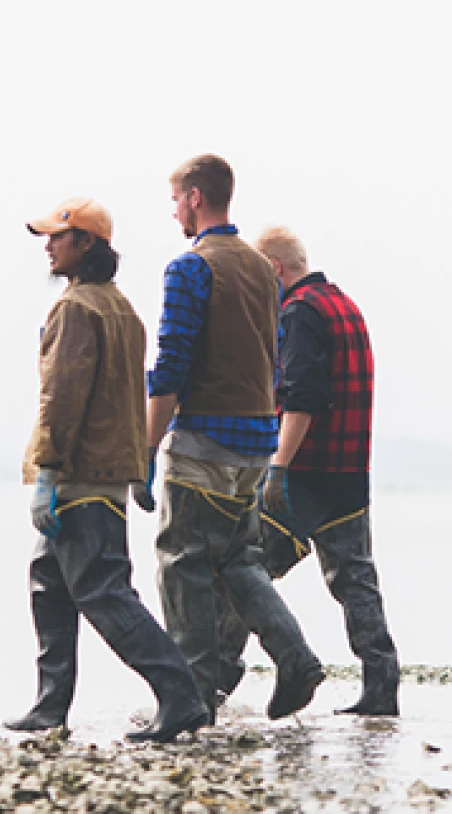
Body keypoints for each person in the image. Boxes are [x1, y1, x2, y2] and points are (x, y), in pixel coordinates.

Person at [5, 198, 208, 743]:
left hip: (79, 476)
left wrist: (47, 471)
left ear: (86, 243)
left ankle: (181, 695)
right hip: (105, 474)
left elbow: (61, 398)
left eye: (57, 236)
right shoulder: (121, 307)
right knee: (49, 585)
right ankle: (50, 706)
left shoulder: (77, 309)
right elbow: (124, 398)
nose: (47, 245)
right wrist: (135, 466)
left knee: (103, 593)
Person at [133, 155, 324, 723]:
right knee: (238, 560)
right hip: (257, 443)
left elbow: (170, 369)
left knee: (183, 562)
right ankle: (295, 658)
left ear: (195, 197)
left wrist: (145, 450)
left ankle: (188, 699)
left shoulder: (189, 269)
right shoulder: (263, 270)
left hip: (204, 442)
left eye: (174, 201)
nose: (172, 213)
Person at [216, 226, 400, 716]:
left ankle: (214, 681)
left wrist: (277, 468)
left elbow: (302, 396)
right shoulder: (345, 305)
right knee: (356, 582)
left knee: (243, 571)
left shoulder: (299, 313)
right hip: (350, 476)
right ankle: (381, 691)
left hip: (304, 477)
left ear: (274, 269)